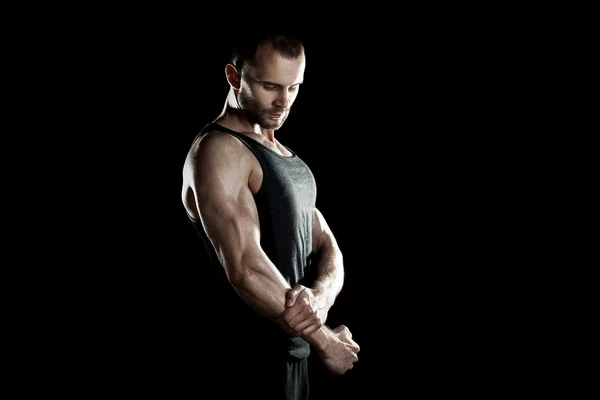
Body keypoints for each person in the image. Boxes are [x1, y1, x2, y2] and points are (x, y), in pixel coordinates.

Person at [181, 31, 360, 399]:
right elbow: (244, 267)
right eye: (270, 86)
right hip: (247, 364)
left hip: (293, 357)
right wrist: (325, 340)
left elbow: (327, 245)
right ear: (234, 77)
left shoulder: (281, 154)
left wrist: (320, 298)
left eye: (294, 88)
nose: (284, 102)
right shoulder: (220, 151)